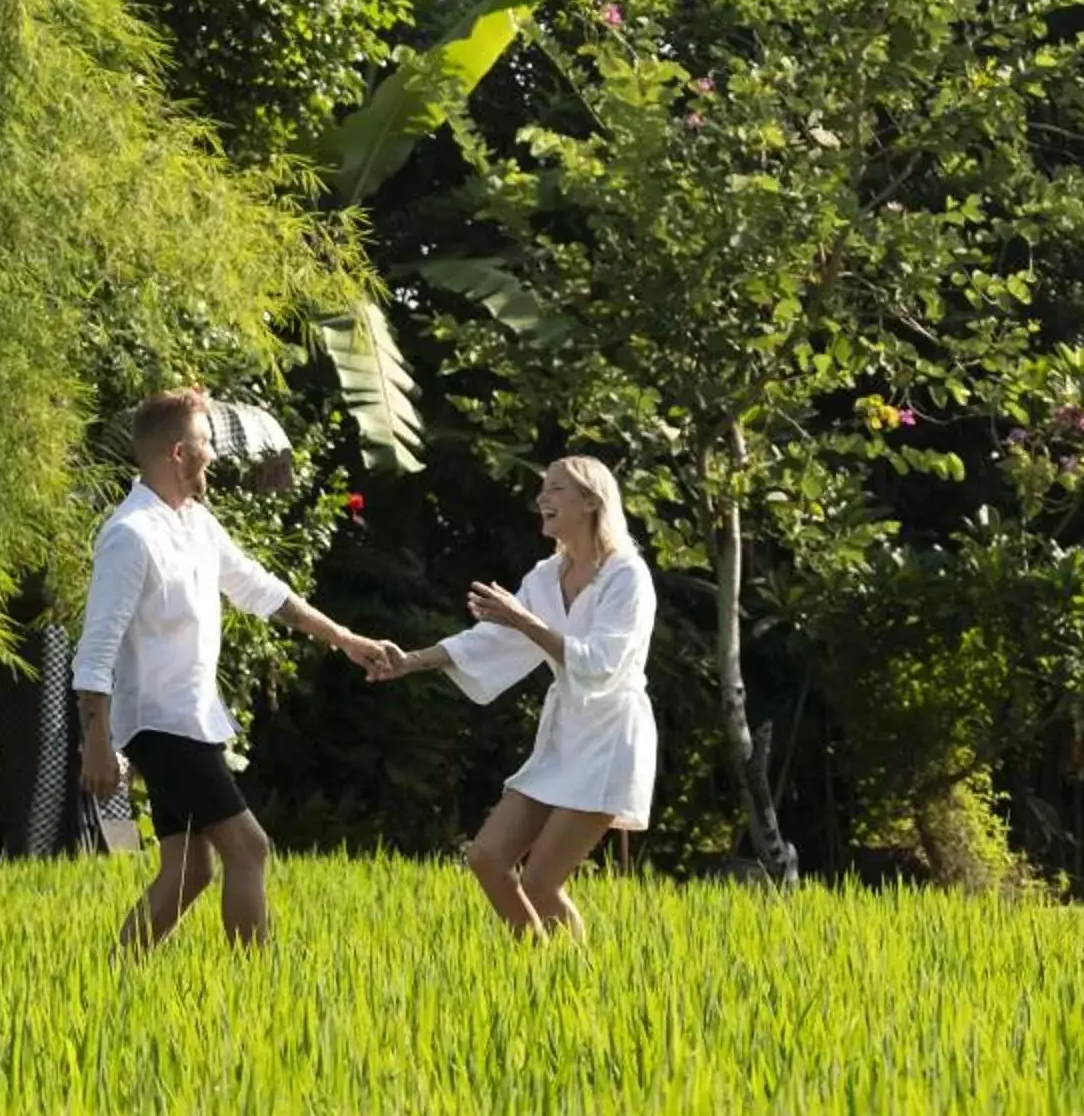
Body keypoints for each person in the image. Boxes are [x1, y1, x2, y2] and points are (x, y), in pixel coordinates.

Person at [74, 388, 395, 948]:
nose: (214, 456)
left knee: (191, 872)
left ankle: (115, 976)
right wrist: (96, 742)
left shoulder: (195, 523)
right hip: (159, 724)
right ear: (178, 453)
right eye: (205, 443)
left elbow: (260, 590)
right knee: (250, 848)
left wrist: (343, 639)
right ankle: (256, 987)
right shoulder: (130, 536)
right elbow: (96, 647)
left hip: (193, 720)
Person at [372, 456, 656, 937]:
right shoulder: (546, 576)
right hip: (564, 733)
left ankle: (578, 985)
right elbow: (490, 641)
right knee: (487, 858)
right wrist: (410, 661)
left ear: (591, 501)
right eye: (543, 490)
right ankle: (539, 971)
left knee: (543, 883)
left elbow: (600, 661)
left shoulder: (626, 577)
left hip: (612, 739)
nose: (542, 499)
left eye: (556, 490)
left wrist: (521, 619)